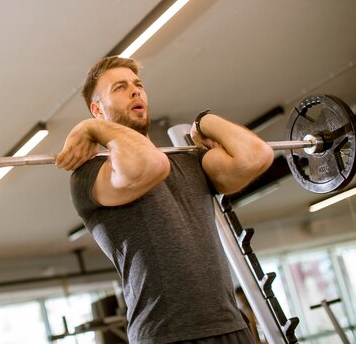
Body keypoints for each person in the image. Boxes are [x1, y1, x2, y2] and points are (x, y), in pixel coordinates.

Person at [55, 56, 273, 344]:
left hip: (231, 327)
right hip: (164, 335)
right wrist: (91, 128)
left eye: (138, 85)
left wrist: (204, 121)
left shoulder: (189, 161)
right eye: (120, 88)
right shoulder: (90, 176)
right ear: (97, 109)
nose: (135, 92)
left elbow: (256, 156)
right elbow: (148, 165)